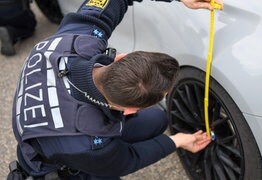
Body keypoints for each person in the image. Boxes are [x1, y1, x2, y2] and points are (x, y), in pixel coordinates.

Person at [10, 0, 222, 179]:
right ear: (129, 110)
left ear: (120, 58)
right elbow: (129, 159)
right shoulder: (87, 144)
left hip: (69, 111)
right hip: (58, 163)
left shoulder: (78, 38)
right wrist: (177, 141)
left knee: (157, 120)